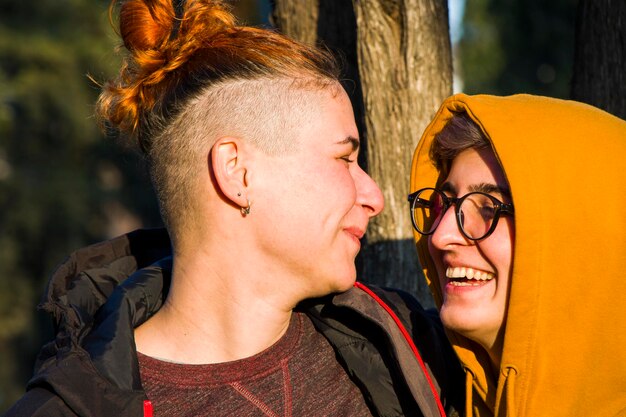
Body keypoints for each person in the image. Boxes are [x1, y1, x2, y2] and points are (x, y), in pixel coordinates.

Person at [6, 1, 464, 416]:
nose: (374, 197)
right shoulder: (66, 410)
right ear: (237, 172)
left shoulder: (410, 349)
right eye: (344, 158)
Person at [409, 93, 626, 416]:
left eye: (488, 207)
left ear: (579, 237)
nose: (441, 237)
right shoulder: (413, 379)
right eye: (445, 204)